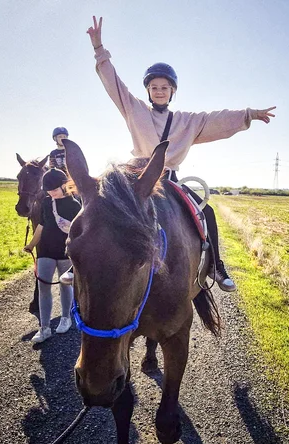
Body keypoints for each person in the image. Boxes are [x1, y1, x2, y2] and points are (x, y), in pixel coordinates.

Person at [85, 16, 275, 292]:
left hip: (170, 181)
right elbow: (114, 83)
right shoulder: (134, 109)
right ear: (148, 91)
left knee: (206, 211)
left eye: (164, 87)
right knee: (102, 206)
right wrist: (99, 49)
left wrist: (249, 114)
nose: (159, 91)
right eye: (154, 87)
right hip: (137, 178)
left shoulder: (188, 121)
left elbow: (216, 119)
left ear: (172, 91)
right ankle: (79, 262)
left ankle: (216, 267)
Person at [23, 169, 81, 343]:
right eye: (48, 191)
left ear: (65, 185)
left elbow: (79, 231)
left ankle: (65, 318)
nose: (51, 193)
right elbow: (41, 225)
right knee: (43, 288)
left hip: (64, 251)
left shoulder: (75, 205)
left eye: (54, 190)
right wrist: (31, 245)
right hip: (45, 250)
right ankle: (45, 328)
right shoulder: (47, 203)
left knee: (65, 286)